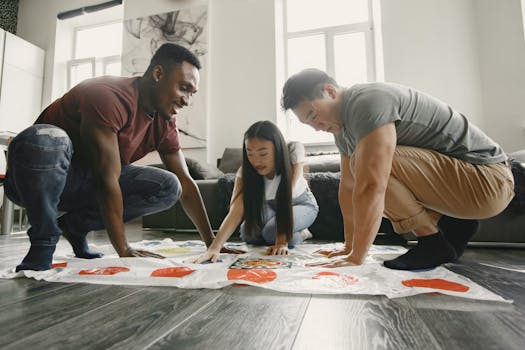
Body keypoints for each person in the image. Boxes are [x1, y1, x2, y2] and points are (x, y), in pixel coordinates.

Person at [5, 43, 241, 272]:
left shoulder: (165, 122)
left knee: (170, 186)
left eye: (192, 93)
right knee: (50, 139)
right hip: (33, 180)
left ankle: (75, 227)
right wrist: (124, 248)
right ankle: (43, 241)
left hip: (82, 185)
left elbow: (187, 184)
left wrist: (212, 242)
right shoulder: (108, 96)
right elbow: (106, 177)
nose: (187, 101)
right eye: (183, 88)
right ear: (158, 74)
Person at [280, 68, 514, 270]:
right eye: (307, 123)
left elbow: (372, 184)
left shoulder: (367, 102)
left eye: (313, 115)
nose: (316, 127)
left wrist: (356, 258)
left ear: (330, 91)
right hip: (463, 186)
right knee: (359, 166)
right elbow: (349, 187)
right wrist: (348, 246)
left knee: (368, 164)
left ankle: (432, 242)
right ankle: (453, 221)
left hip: (488, 179)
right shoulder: (343, 131)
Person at [193, 120, 319, 263]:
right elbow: (236, 211)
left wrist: (281, 242)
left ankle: (302, 233)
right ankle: (286, 231)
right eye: (250, 154)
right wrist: (214, 248)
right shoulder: (246, 172)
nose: (256, 161)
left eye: (263, 154)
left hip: (298, 204)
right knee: (248, 233)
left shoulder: (291, 157)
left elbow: (286, 197)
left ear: (278, 149)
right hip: (270, 206)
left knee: (271, 233)